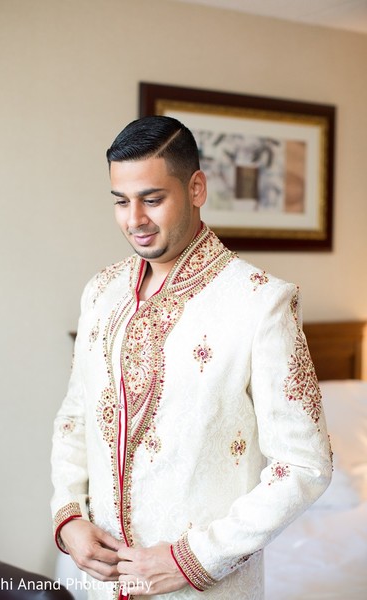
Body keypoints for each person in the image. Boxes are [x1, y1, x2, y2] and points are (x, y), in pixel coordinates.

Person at [51, 115, 332, 600]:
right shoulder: (101, 293)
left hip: (203, 590)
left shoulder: (260, 303)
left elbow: (305, 466)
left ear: (196, 188)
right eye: (121, 201)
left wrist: (192, 560)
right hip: (100, 588)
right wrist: (70, 516)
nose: (134, 218)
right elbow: (76, 419)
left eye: (152, 199)